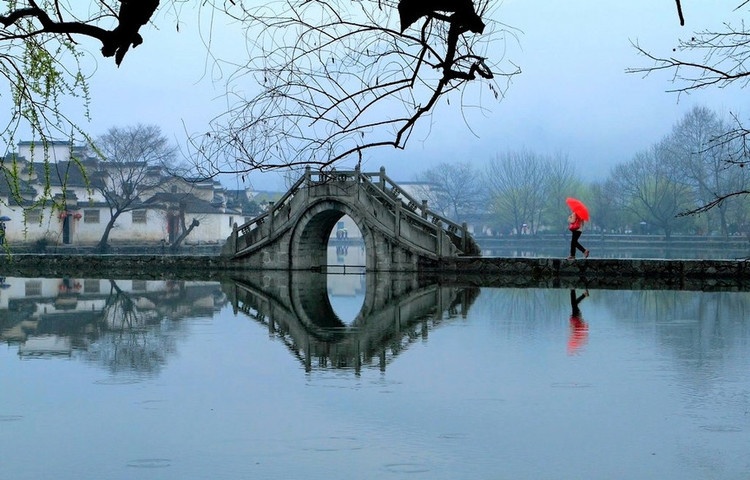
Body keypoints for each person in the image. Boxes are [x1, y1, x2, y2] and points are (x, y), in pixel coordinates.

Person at [568, 289, 589, 355]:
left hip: (575, 316)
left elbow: (574, 326)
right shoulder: (578, 335)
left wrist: (572, 327)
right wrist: (573, 326)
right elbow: (579, 325)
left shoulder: (576, 335)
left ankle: (582, 294)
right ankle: (573, 290)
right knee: (574, 304)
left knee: (574, 303)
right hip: (576, 316)